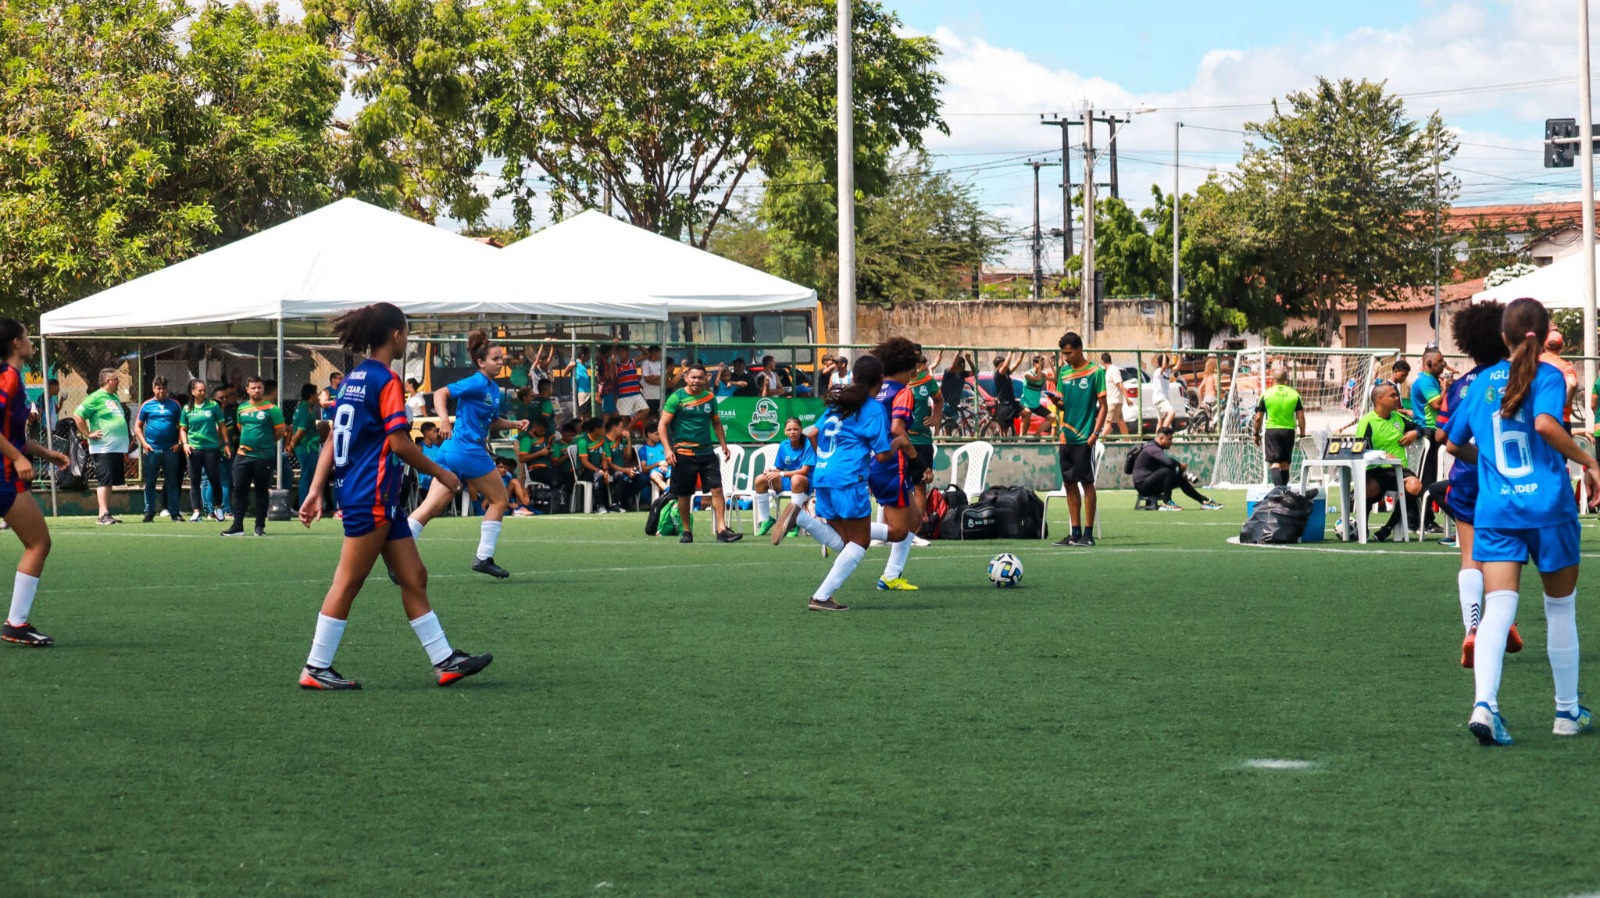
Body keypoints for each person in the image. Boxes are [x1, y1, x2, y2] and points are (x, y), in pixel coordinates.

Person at [295, 301, 490, 691]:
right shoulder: (385, 380)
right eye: (407, 332)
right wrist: (442, 473)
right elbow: (399, 444)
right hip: (371, 493)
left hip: (373, 494)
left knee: (413, 575)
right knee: (348, 580)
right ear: (396, 335)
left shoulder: (352, 378)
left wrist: (316, 489)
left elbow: (333, 437)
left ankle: (444, 660)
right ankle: (316, 666)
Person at [1444, 297, 1600, 745]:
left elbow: (1452, 446)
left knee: (1499, 610)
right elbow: (1548, 426)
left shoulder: (1478, 384)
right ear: (1546, 332)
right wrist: (1588, 462)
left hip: (1497, 512)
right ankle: (1567, 712)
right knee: (1560, 609)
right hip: (1548, 508)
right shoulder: (1549, 375)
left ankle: (1485, 706)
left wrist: (1488, 460)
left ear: (1502, 337)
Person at [1428, 300, 1522, 668]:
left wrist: (1480, 456)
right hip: (1510, 481)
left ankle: (1471, 628)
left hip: (1468, 478)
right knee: (1505, 557)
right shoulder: (1521, 376)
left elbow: (1445, 437)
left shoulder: (1463, 385)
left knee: (1469, 554)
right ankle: (1505, 619)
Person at [773, 355, 906, 611]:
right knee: (859, 542)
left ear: (853, 378)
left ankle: (802, 519)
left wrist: (823, 458)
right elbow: (882, 454)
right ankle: (820, 596)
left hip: (823, 476)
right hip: (848, 479)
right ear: (879, 381)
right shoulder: (874, 409)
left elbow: (811, 432)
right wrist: (898, 444)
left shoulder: (838, 404)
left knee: (844, 542)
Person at [405, 329, 528, 579]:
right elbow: (441, 393)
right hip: (467, 450)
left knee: (430, 508)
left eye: (501, 358)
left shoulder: (493, 389)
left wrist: (514, 425)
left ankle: (398, 554)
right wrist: (444, 420)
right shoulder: (477, 381)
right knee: (499, 500)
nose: (500, 362)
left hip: (451, 452)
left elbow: (491, 422)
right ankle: (484, 556)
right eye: (495, 358)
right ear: (481, 362)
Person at [0, 319, 73, 647]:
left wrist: (45, 453)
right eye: (27, 337)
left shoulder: (13, 380)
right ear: (16, 343)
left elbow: (13, 436)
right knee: (39, 543)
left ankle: (17, 623)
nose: (31, 342)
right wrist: (16, 458)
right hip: (3, 477)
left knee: (38, 543)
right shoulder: (8, 377)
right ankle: (16, 623)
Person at [867, 338, 926, 591]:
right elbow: (897, 430)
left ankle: (890, 576)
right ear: (905, 365)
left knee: (913, 519)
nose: (916, 370)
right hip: (892, 464)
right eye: (913, 365)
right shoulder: (902, 392)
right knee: (899, 530)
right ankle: (834, 529)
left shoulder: (876, 390)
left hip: (871, 461)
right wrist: (916, 459)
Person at [659, 363, 740, 543]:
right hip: (683, 454)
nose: (696, 381)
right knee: (684, 494)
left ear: (705, 379)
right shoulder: (676, 398)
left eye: (700, 378)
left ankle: (721, 530)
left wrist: (723, 444)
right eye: (693, 377)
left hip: (707, 453)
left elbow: (716, 423)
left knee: (717, 489)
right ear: (686, 378)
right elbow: (662, 425)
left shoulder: (709, 398)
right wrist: (667, 449)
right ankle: (687, 531)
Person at [1048, 333, 1107, 547]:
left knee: (1087, 484)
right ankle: (1074, 532)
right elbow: (1064, 405)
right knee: (1069, 484)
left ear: (1080, 349)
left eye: (1068, 353)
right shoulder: (1063, 373)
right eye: (1063, 353)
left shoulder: (1096, 372)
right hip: (1066, 437)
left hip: (1085, 438)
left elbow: (1104, 407)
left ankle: (1088, 535)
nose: (1065, 357)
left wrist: (1095, 434)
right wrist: (1056, 401)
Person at [1354, 383, 1423, 543]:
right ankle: (1362, 529)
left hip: (1400, 470)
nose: (1397, 398)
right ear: (1380, 399)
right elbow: (1358, 450)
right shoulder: (1367, 421)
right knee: (1368, 489)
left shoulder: (1398, 417)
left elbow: (1423, 428)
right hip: (1375, 470)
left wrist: (1415, 432)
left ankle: (1387, 528)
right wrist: (1382, 455)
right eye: (1392, 395)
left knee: (1415, 485)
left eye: (1396, 395)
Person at [222, 376, 286, 537]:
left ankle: (259, 527)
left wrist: (265, 444)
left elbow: (279, 432)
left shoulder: (272, 409)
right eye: (254, 387)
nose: (257, 390)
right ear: (247, 389)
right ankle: (237, 526)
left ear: (263, 389)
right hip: (242, 456)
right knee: (238, 490)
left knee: (261, 491)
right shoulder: (241, 408)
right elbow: (241, 427)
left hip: (264, 457)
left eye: (259, 387)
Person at [72, 368, 131, 525]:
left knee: (109, 480)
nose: (118, 381)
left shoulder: (114, 397)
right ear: (107, 381)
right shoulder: (96, 397)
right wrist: (88, 433)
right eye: (115, 379)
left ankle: (105, 512)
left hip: (115, 448)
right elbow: (78, 415)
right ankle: (103, 514)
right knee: (104, 480)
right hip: (103, 447)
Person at [1133, 428, 1223, 511]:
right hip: (1143, 486)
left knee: (1179, 477)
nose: (1171, 442)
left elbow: (1167, 461)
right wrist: (1179, 465)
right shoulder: (1152, 448)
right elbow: (1168, 462)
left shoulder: (1155, 448)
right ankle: (1167, 503)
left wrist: (1180, 471)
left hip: (1151, 483)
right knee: (1168, 471)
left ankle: (1203, 501)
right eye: (1169, 439)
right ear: (1161, 438)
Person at [754, 417, 814, 537]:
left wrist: (780, 474)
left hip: (806, 481)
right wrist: (771, 471)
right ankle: (766, 519)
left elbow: (804, 471)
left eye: (796, 429)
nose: (792, 432)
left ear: (801, 430)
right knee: (760, 479)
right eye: (789, 429)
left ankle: (794, 521)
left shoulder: (809, 444)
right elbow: (779, 468)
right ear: (785, 432)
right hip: (789, 480)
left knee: (796, 479)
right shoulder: (783, 445)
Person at [1410, 348, 1449, 534]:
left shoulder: (1428, 380)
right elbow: (1437, 405)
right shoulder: (1426, 381)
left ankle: (1417, 520)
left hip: (1428, 432)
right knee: (1428, 479)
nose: (1444, 364)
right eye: (1440, 361)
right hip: (1429, 432)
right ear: (1429, 363)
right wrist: (1447, 389)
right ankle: (1425, 521)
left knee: (1427, 477)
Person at [135, 376, 184, 522]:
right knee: (150, 482)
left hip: (170, 450)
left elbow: (183, 426)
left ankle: (174, 512)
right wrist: (144, 443)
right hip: (152, 450)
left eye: (163, 388)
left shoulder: (174, 405)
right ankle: (149, 512)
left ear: (166, 388)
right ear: (153, 388)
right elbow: (137, 426)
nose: (161, 391)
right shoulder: (147, 405)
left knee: (172, 482)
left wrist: (180, 443)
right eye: (158, 388)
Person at [179, 379, 229, 523]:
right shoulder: (187, 409)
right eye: (199, 390)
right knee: (195, 480)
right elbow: (183, 429)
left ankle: (218, 508)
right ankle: (196, 511)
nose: (202, 392)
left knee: (214, 479)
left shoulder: (213, 406)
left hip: (211, 449)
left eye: (204, 390)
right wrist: (185, 444)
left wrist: (225, 443)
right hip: (194, 449)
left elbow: (222, 425)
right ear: (193, 391)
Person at [1251, 366, 1305, 488]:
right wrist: (1302, 434)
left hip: (1272, 431)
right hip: (1289, 431)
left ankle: (1278, 491)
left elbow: (1258, 417)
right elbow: (1301, 417)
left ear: (1272, 379)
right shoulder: (1294, 394)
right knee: (1285, 463)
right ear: (1286, 379)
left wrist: (1256, 433)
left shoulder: (1266, 394)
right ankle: (1284, 491)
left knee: (1275, 463)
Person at [574, 417, 621, 513]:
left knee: (618, 476)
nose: (605, 429)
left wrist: (606, 471)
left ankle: (614, 504)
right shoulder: (583, 441)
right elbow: (585, 462)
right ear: (596, 429)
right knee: (599, 476)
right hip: (585, 472)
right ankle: (599, 505)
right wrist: (599, 471)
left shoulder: (602, 440)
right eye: (603, 427)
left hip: (598, 470)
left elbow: (604, 459)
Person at [289, 383, 323, 508]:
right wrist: (292, 445)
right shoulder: (305, 410)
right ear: (311, 395)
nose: (317, 397)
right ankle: (304, 504)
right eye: (316, 394)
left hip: (308, 447)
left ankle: (307, 503)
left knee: (308, 476)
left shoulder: (304, 407)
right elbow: (300, 431)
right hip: (307, 448)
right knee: (306, 477)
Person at [606, 416, 649, 511]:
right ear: (614, 427)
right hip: (613, 471)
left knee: (643, 476)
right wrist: (627, 470)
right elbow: (608, 464)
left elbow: (628, 457)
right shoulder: (605, 441)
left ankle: (628, 497)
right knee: (623, 478)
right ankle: (616, 503)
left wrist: (629, 440)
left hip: (625, 470)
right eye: (621, 427)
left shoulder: (620, 440)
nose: (623, 430)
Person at [1540, 331, 1580, 431]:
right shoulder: (1564, 365)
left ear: (1544, 344)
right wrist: (1565, 403)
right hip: (1560, 418)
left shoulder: (1533, 362)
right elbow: (1572, 383)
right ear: (1561, 346)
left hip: (1537, 417)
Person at [614, 345, 650, 424]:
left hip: (635, 393)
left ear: (627, 352)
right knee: (625, 418)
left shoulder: (632, 361)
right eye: (618, 353)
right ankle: (625, 432)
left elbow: (647, 354)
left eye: (621, 352)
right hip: (623, 395)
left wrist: (638, 345)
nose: (620, 354)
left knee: (645, 410)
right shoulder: (617, 365)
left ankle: (629, 428)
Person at [1019, 355, 1052, 438]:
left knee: (1052, 417)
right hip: (1025, 403)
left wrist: (1052, 366)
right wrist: (1040, 369)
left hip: (1036, 405)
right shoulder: (1027, 374)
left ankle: (1036, 435)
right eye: (1041, 363)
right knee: (1027, 413)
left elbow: (1054, 379)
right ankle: (1021, 436)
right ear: (1034, 364)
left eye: (1043, 363)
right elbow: (1037, 378)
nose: (1042, 365)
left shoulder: (1043, 375)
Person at [991, 352, 1023, 435]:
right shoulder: (998, 374)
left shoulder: (1006, 373)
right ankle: (1003, 442)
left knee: (1026, 413)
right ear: (997, 366)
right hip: (1004, 404)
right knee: (1005, 428)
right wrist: (1010, 353)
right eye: (1001, 364)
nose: (1004, 366)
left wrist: (1022, 353)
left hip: (1011, 402)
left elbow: (1016, 364)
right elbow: (1005, 366)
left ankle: (1022, 436)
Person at [1100, 353, 1127, 435]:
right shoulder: (1109, 371)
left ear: (1102, 361)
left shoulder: (1113, 370)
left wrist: (1127, 398)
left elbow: (1120, 384)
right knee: (1120, 422)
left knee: (1108, 422)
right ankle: (1127, 441)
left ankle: (1100, 442)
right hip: (1113, 400)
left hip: (1113, 401)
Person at [1150, 353, 1177, 432]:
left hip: (1162, 398)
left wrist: (1180, 356)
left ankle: (1157, 439)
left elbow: (1177, 367)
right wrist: (1165, 353)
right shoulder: (1158, 371)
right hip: (1160, 398)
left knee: (1160, 421)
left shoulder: (1167, 371)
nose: (1168, 364)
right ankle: (1163, 433)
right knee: (1171, 413)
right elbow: (1164, 366)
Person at [563, 347, 594, 414]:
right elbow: (564, 373)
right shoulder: (575, 362)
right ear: (583, 355)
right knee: (583, 413)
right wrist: (569, 366)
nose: (589, 357)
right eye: (588, 355)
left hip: (587, 391)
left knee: (588, 413)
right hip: (581, 392)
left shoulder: (583, 364)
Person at [641, 345, 665, 412]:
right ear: (655, 352)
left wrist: (654, 377)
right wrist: (660, 380)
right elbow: (647, 379)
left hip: (659, 395)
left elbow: (665, 376)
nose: (660, 354)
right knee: (649, 414)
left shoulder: (660, 363)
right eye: (659, 352)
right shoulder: (646, 363)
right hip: (649, 396)